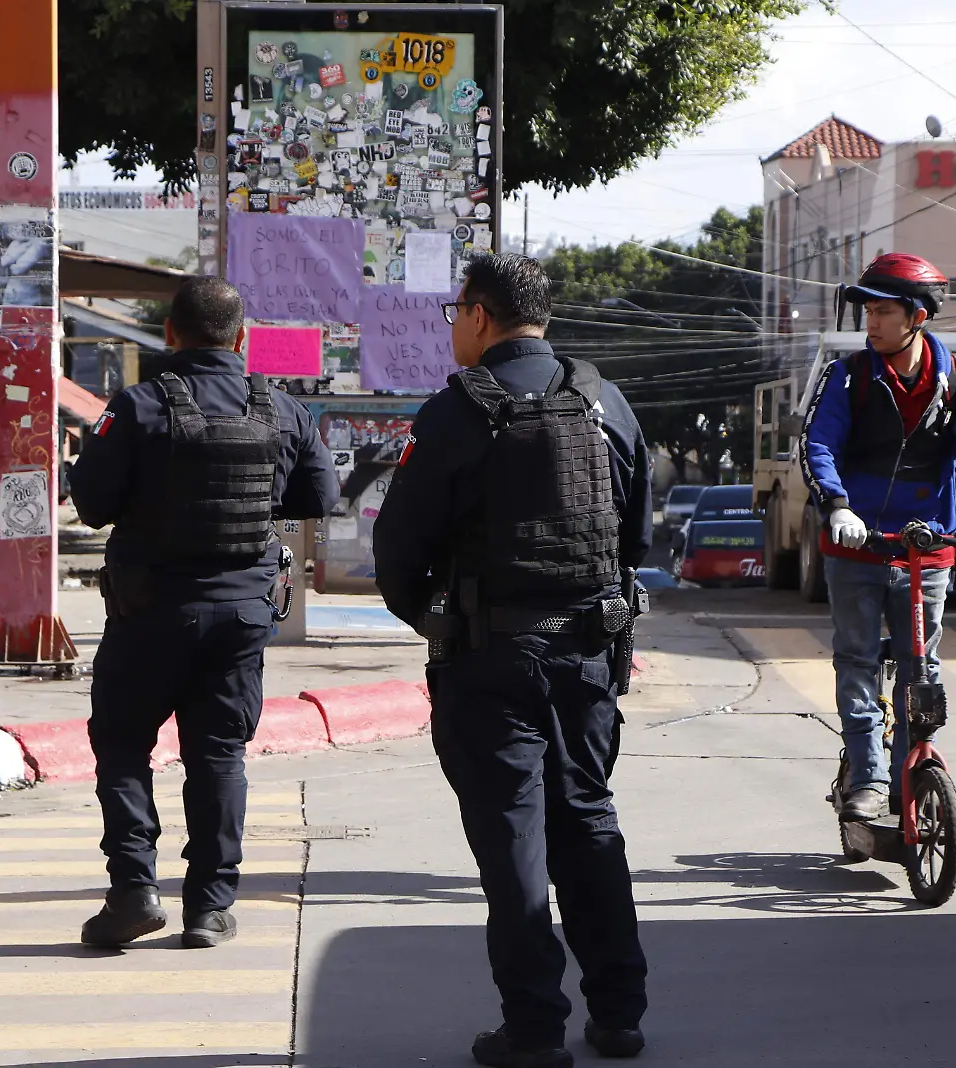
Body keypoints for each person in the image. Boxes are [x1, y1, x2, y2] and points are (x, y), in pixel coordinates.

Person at [374, 254, 654, 1068]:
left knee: (514, 841)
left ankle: (534, 1028)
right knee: (590, 821)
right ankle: (621, 1012)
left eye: (455, 311)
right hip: (590, 652)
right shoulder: (607, 403)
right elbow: (635, 539)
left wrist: (444, 622)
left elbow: (398, 556)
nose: (452, 325)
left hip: (490, 656)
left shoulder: (455, 414)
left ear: (482, 315)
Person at [68, 276, 337, 951]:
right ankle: (210, 908)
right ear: (241, 338)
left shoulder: (137, 406)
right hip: (241, 613)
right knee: (218, 754)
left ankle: (133, 889)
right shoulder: (281, 409)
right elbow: (318, 496)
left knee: (125, 744)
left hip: (150, 609)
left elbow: (92, 504)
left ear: (168, 334)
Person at [799, 253, 956, 822]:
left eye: (884, 311)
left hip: (928, 546)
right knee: (858, 662)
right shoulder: (845, 377)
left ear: (917, 316)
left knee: (924, 668)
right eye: (867, 310)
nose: (871, 322)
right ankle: (867, 776)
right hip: (857, 545)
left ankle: (909, 772)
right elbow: (816, 445)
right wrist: (837, 507)